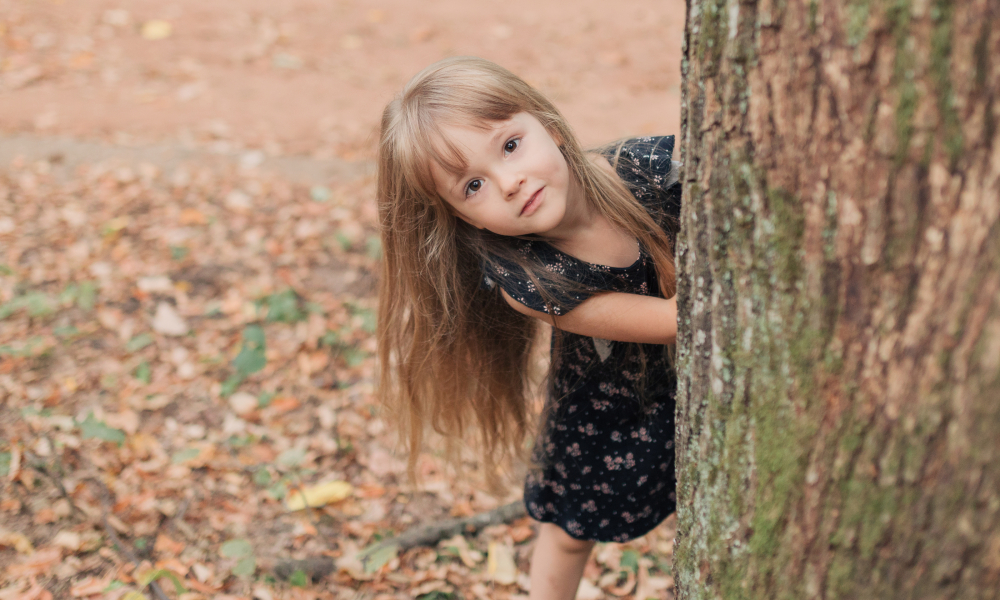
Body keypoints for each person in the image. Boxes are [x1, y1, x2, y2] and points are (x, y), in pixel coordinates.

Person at [375, 56, 681, 600]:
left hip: (692, 388)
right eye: (473, 185)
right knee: (567, 533)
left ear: (552, 127)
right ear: (467, 219)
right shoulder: (531, 280)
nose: (510, 182)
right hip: (610, 412)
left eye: (511, 146)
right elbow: (683, 324)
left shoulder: (646, 166)